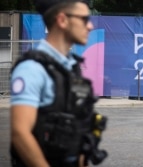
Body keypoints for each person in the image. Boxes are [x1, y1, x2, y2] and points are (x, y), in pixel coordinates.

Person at [9, 0, 106, 167]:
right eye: (83, 19)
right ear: (62, 20)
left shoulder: (71, 68)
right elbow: (20, 133)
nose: (89, 26)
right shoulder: (32, 69)